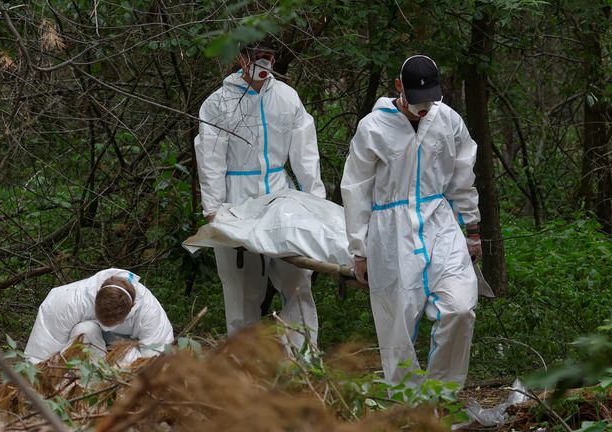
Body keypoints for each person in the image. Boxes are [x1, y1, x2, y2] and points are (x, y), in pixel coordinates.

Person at [340, 55, 482, 387]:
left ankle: (442, 398)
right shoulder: (373, 127)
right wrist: (359, 250)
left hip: (439, 221)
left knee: (460, 307)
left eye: (431, 99)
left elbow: (463, 176)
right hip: (391, 230)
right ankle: (407, 408)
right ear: (398, 87)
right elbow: (356, 189)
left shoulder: (447, 120)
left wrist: (472, 228)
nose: (425, 107)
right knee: (397, 321)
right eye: (418, 101)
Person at [194, 39, 326, 348]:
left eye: (269, 56)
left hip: (281, 199)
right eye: (257, 57)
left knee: (297, 281)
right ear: (241, 58)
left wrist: (315, 203)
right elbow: (210, 160)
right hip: (236, 201)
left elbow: (306, 156)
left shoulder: (287, 98)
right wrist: (213, 210)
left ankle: (302, 360)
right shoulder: (218, 103)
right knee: (242, 290)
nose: (264, 63)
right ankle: (244, 369)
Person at [24, 268, 174, 367]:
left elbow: (155, 361)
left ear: (133, 306)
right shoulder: (69, 301)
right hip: (85, 352)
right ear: (95, 298)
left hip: (124, 354)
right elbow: (41, 352)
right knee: (84, 330)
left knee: (140, 362)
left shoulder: (149, 312)